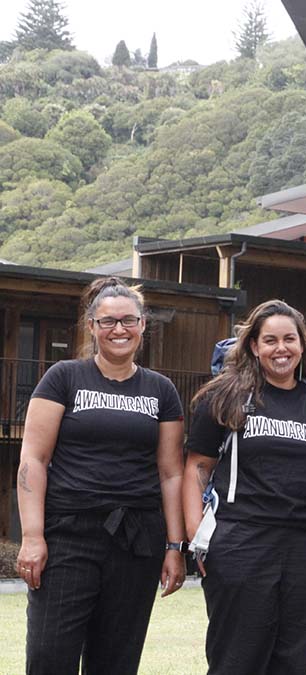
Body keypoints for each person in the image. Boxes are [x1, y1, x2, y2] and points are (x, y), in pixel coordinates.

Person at [16, 276, 187, 675]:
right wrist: (32, 537)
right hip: (69, 535)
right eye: (108, 321)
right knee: (48, 656)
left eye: (128, 320)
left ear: (143, 324)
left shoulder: (161, 391)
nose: (119, 330)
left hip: (136, 540)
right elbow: (33, 460)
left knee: (116, 662)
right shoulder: (63, 378)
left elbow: (171, 473)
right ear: (92, 326)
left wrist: (174, 545)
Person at [183, 299, 306, 675]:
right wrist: (198, 538)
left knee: (293, 659)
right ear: (254, 346)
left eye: (290, 339)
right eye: (270, 340)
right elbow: (196, 469)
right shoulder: (224, 396)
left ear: (302, 344)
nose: (281, 348)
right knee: (238, 658)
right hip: (242, 542)